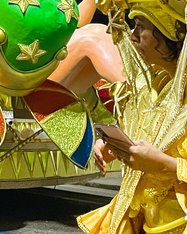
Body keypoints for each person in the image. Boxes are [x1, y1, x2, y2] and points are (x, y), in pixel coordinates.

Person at [79, 15, 186, 234]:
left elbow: (161, 158)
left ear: (172, 36)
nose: (132, 36)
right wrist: (119, 147)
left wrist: (164, 164)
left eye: (140, 28)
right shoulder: (161, 85)